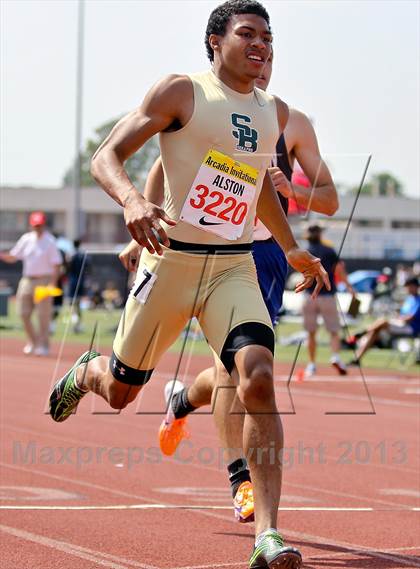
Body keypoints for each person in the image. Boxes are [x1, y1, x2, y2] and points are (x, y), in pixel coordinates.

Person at [49, 2, 331, 566]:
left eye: (268, 38)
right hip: (171, 264)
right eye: (248, 35)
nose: (262, 46)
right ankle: (89, 372)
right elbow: (108, 156)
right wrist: (133, 202)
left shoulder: (273, 111)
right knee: (124, 393)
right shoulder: (181, 92)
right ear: (214, 41)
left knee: (256, 378)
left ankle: (268, 535)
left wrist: (292, 245)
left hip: (233, 266)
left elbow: (255, 188)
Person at [119, 52, 339, 526]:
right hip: (198, 248)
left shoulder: (291, 121)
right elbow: (161, 168)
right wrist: (142, 224)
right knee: (236, 374)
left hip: (263, 254)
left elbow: (330, 199)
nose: (260, 60)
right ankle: (240, 479)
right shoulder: (206, 105)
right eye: (249, 44)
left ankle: (182, 401)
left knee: (244, 375)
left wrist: (289, 188)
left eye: (269, 49)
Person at [0, 211, 61, 356]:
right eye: (35, 225)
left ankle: (43, 345)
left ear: (44, 224)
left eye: (39, 225)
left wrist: (53, 283)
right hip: (27, 279)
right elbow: (13, 256)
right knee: (22, 312)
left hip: (44, 280)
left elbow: (56, 265)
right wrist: (2, 255)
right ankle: (33, 342)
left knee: (43, 315)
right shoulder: (26, 239)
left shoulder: (50, 241)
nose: (37, 227)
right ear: (31, 225)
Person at [302, 224, 354, 377]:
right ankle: (335, 356)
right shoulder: (329, 250)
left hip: (309, 296)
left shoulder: (303, 251)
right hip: (327, 296)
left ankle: (311, 365)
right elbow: (339, 270)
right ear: (320, 234)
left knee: (310, 333)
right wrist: (350, 287)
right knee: (334, 331)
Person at [349, 276, 420, 364]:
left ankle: (361, 333)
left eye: (409, 286)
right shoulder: (409, 300)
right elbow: (402, 314)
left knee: (382, 321)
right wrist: (397, 316)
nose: (408, 288)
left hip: (410, 328)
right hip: (401, 324)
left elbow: (410, 318)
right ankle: (357, 358)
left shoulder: (418, 300)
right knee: (375, 331)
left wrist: (398, 318)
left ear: (416, 286)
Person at [67, 239, 90, 333]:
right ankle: (78, 323)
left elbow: (67, 268)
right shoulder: (83, 255)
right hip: (81, 280)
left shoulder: (71, 255)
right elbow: (88, 268)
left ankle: (75, 321)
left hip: (73, 280)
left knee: (72, 302)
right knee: (78, 303)